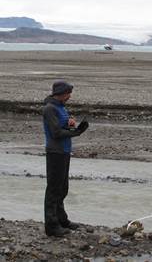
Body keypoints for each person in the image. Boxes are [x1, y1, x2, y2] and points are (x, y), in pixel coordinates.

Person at [41, 80, 89, 237]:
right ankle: (51, 226)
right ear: (61, 93)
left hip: (64, 151)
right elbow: (56, 133)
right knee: (53, 190)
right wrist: (77, 132)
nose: (70, 96)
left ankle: (62, 220)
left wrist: (71, 126)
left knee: (62, 188)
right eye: (68, 93)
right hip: (55, 152)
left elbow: (62, 130)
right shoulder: (50, 109)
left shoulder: (61, 108)